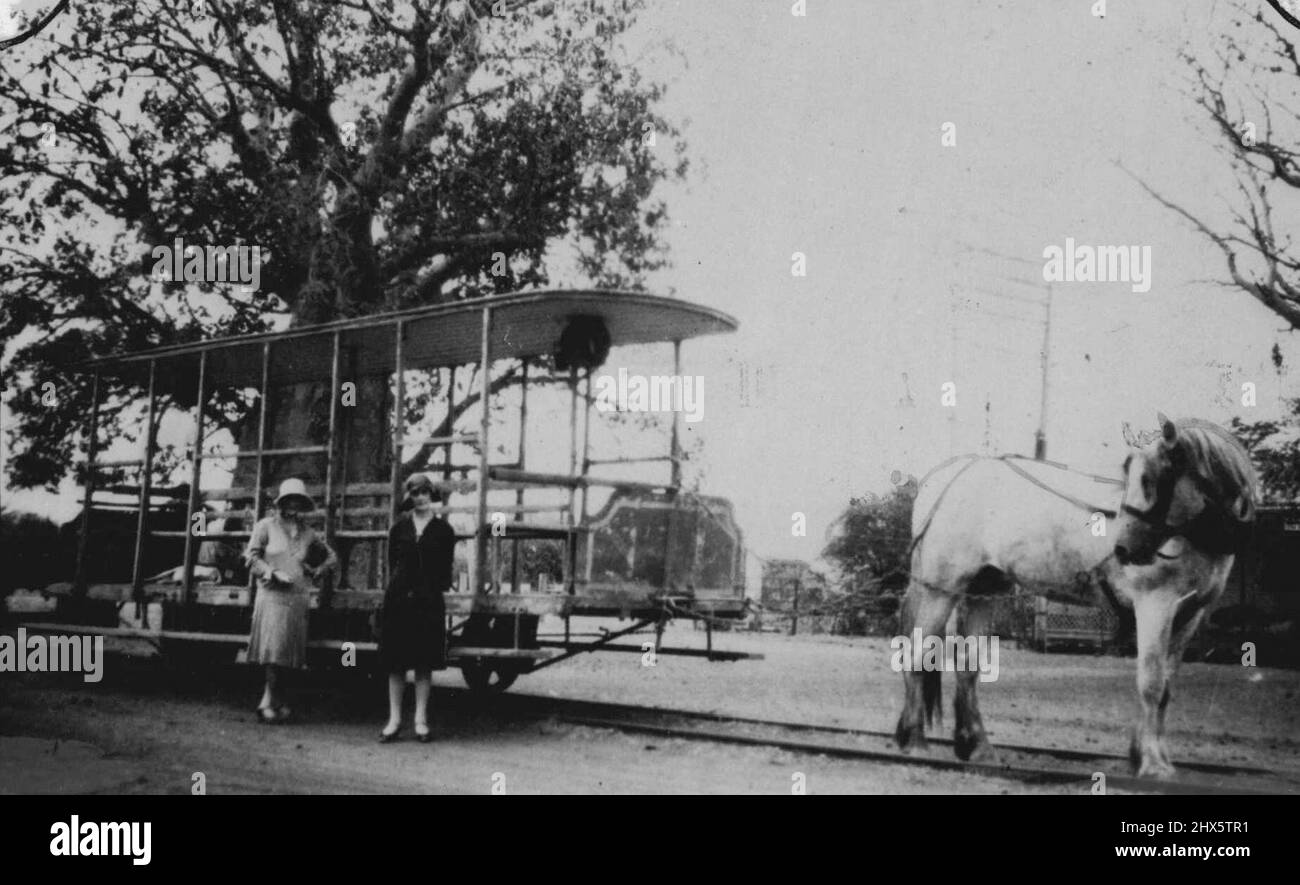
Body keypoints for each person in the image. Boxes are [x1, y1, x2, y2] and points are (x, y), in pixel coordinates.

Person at [244, 478, 337, 724]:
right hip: (273, 595)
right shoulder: (265, 525)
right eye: (289, 500)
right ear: (281, 502)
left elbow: (330, 556)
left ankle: (279, 701)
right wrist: (271, 573)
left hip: (298, 597)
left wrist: (316, 571)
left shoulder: (308, 533)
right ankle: (266, 701)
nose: (294, 505)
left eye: (298, 500)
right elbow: (251, 557)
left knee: (290, 655)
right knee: (274, 652)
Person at [378, 473, 457, 743]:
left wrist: (429, 590)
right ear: (409, 497)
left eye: (425, 493)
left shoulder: (444, 531)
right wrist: (401, 588)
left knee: (424, 663)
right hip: (399, 601)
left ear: (432, 495)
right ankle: (394, 720)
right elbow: (393, 565)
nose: (420, 498)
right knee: (396, 663)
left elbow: (446, 572)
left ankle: (421, 720)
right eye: (415, 493)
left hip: (428, 603)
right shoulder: (398, 529)